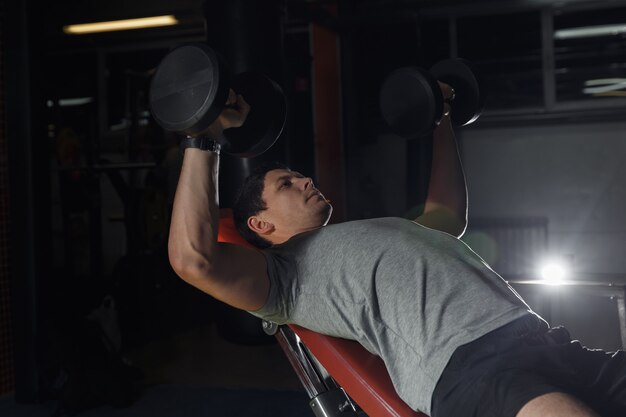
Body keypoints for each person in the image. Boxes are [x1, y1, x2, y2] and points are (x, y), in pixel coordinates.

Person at [168, 86, 626, 417]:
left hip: (544, 340)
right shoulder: (282, 275)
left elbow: (448, 214)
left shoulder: (377, 232)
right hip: (473, 369)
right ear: (261, 224)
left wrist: (441, 117)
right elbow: (195, 259)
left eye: (300, 176)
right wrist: (203, 134)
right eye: (286, 184)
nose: (307, 180)